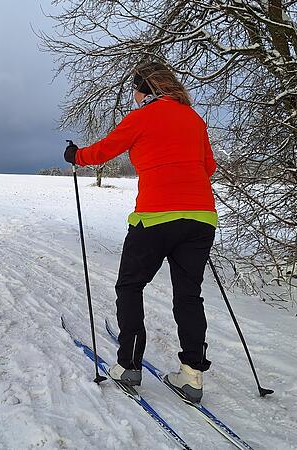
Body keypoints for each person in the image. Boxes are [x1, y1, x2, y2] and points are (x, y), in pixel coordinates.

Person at [64, 61, 217, 403]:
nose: (134, 97)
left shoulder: (141, 117)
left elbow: (105, 149)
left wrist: (77, 156)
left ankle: (129, 364)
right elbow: (209, 166)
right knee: (189, 295)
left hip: (155, 217)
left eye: (135, 90)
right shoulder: (194, 119)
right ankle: (192, 376)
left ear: (145, 90)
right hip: (200, 218)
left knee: (131, 286)